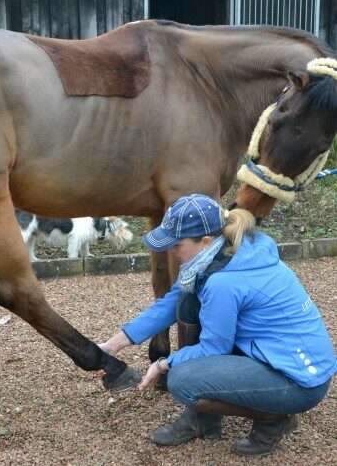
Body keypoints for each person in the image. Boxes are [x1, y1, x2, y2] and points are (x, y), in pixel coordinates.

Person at [98, 194, 335, 457]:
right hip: (279, 358)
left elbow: (214, 348)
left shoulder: (222, 282)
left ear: (206, 241)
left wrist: (163, 364)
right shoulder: (229, 252)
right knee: (186, 301)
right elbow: (168, 305)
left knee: (183, 379)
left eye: (177, 245)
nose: (171, 252)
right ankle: (203, 419)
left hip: (299, 381)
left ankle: (274, 418)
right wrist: (111, 345)